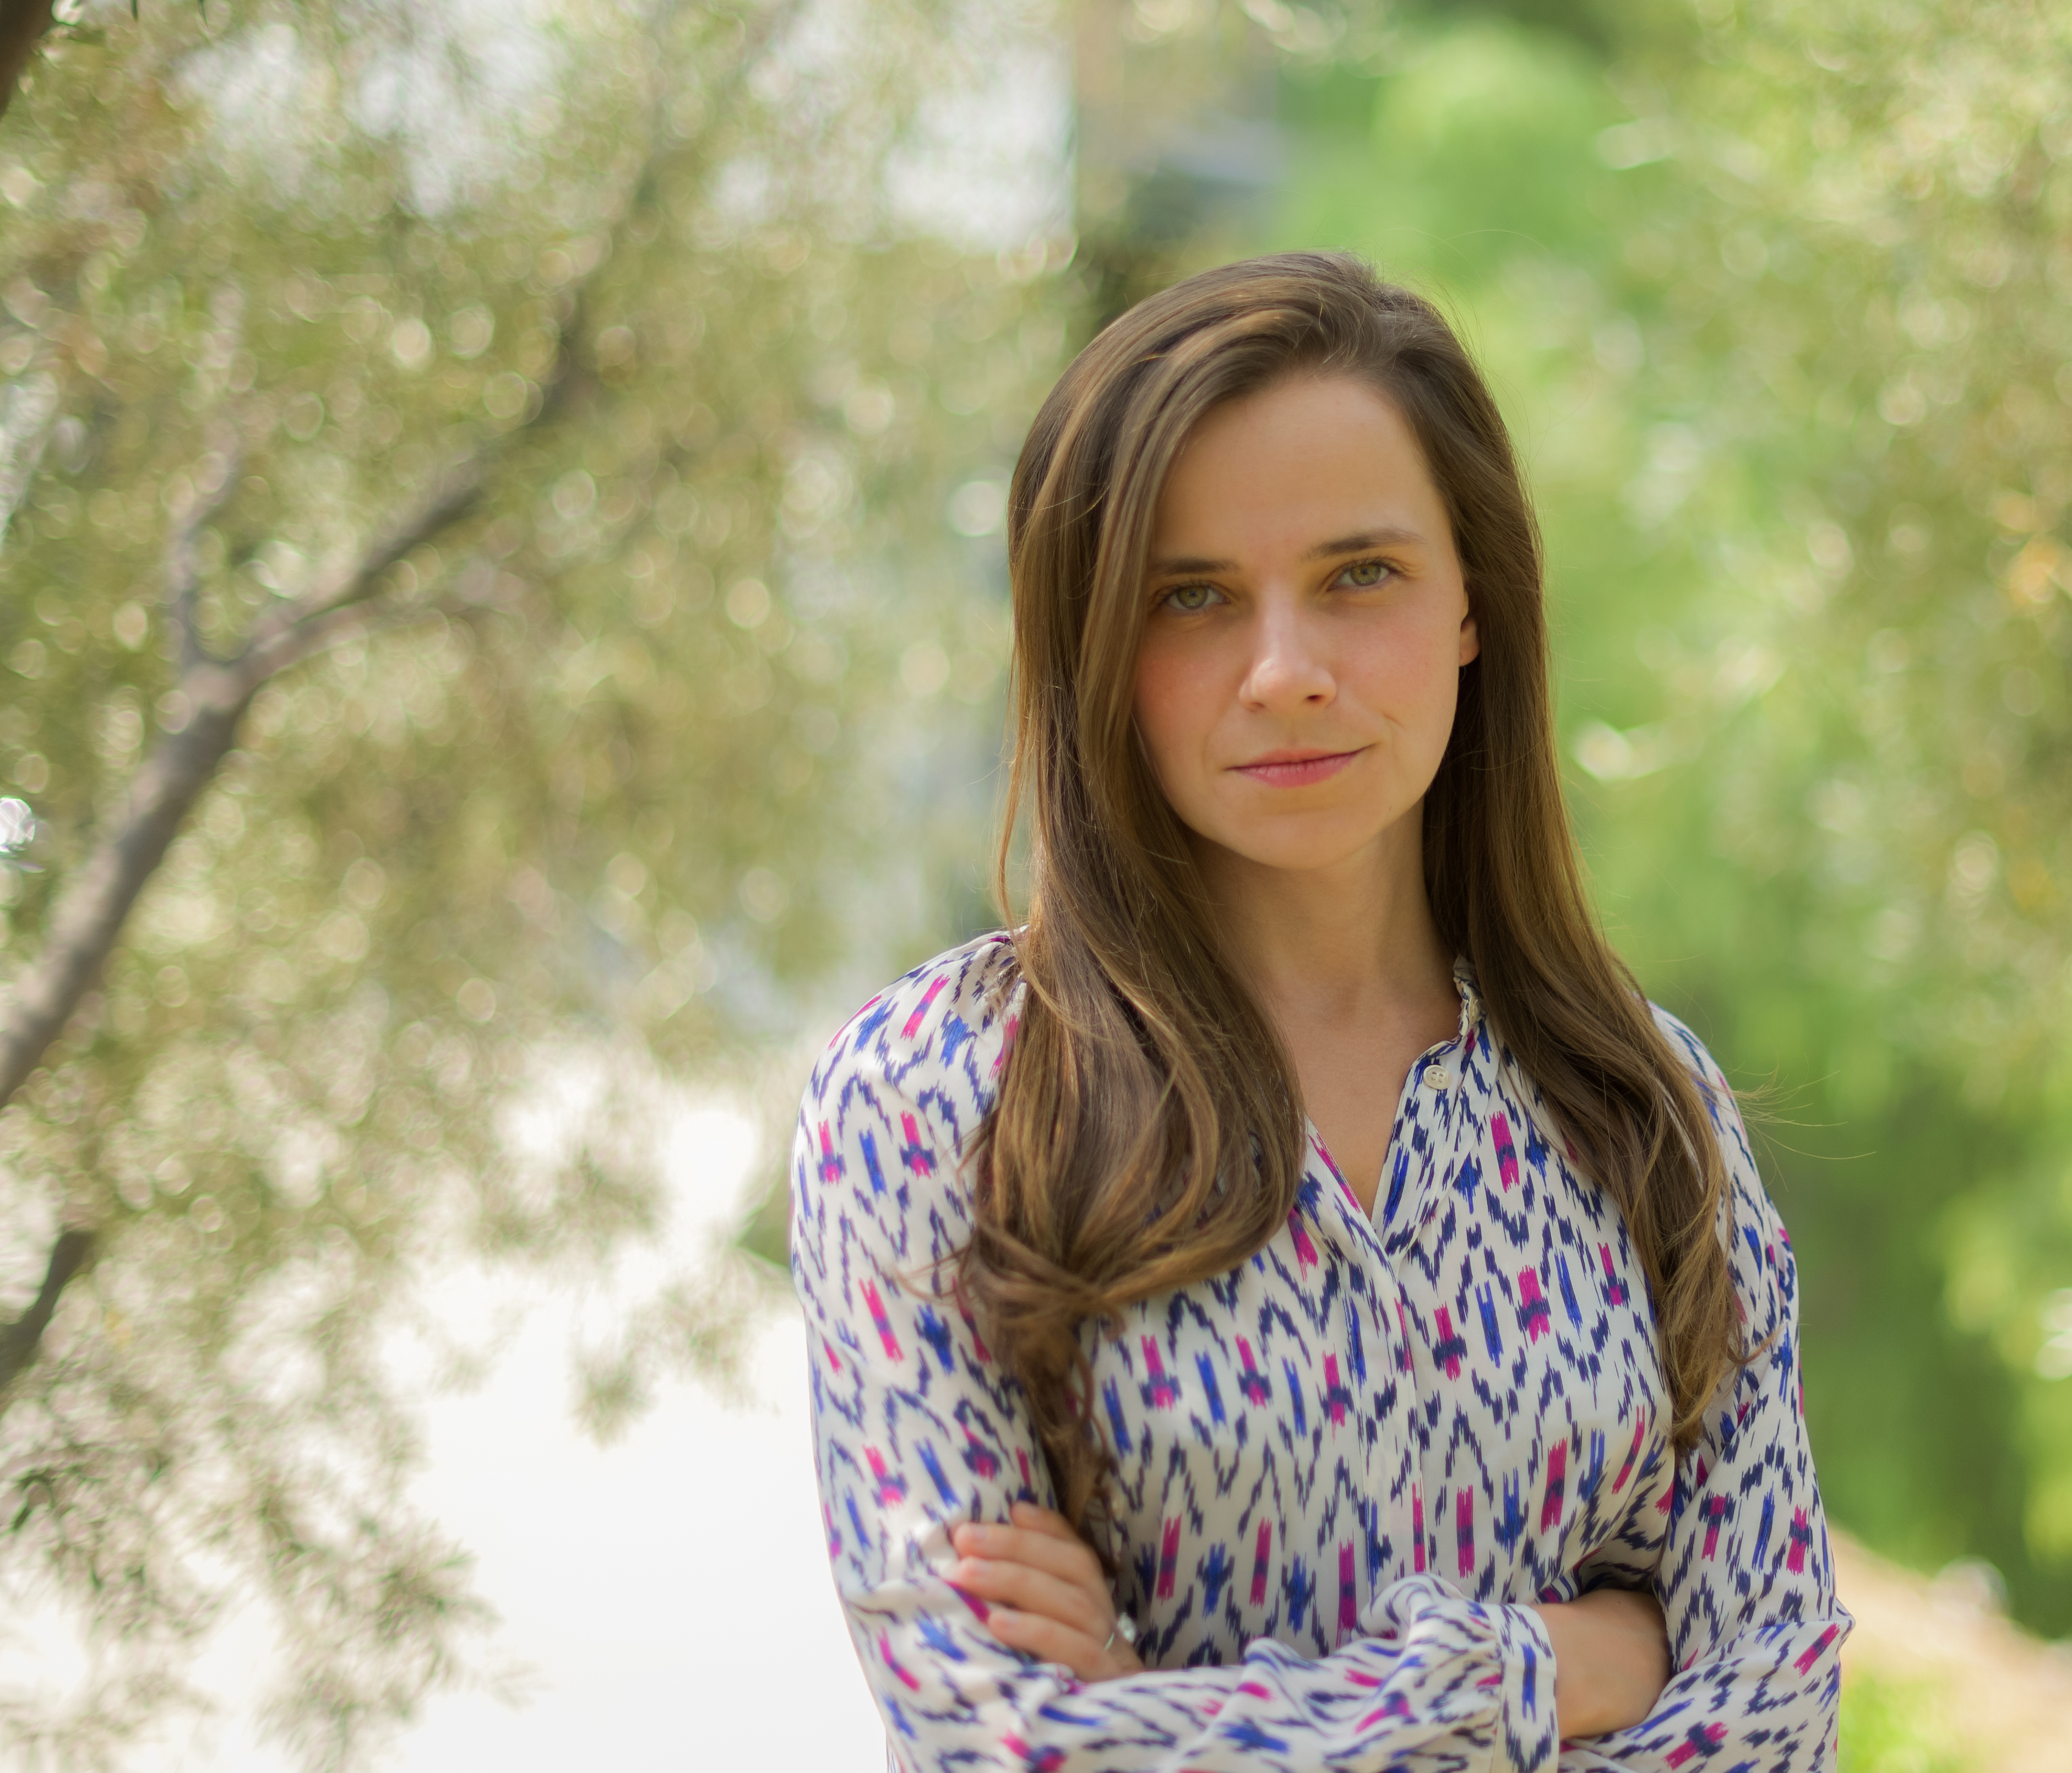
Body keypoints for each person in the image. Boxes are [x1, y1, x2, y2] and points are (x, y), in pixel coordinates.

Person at [790, 252, 1847, 1772]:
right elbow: (1012, 1746)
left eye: (1361, 575)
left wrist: (1161, 1693)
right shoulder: (933, 1103)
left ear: (1474, 601)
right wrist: (1565, 1658)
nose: (1284, 672)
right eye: (1193, 598)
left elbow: (1779, 1709)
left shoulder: (1642, 1106)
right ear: (1097, 651)